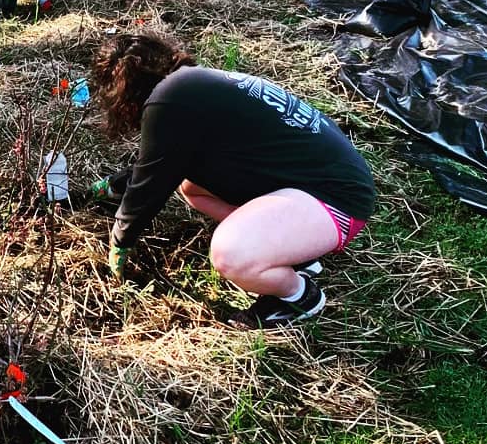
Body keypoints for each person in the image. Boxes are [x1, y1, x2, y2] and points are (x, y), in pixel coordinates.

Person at [90, 32, 375, 328]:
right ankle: (295, 254)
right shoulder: (192, 86)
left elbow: (149, 184)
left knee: (230, 254)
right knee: (193, 188)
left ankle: (300, 297)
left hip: (338, 200)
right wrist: (105, 188)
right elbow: (158, 168)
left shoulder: (169, 100)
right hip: (328, 181)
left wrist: (120, 241)